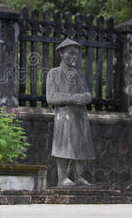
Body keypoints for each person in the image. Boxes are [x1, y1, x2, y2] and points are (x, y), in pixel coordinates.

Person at [46, 39, 95, 187]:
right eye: (70, 53)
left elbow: (88, 94)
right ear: (61, 53)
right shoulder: (53, 74)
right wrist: (72, 98)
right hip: (64, 115)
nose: (74, 57)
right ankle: (63, 177)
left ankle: (79, 176)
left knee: (81, 146)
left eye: (76, 54)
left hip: (80, 115)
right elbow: (51, 97)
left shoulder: (78, 75)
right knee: (64, 146)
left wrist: (85, 97)